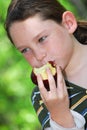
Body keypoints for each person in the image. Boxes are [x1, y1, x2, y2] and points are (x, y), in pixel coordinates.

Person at [5, 0, 87, 130]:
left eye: (42, 39)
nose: (38, 56)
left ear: (68, 23)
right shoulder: (43, 98)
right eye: (25, 50)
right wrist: (60, 116)